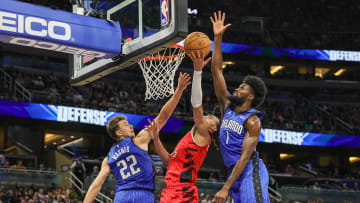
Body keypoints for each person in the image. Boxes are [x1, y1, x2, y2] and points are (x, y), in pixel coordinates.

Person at [83, 73, 191, 203]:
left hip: (121, 196)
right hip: (142, 195)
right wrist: (179, 91)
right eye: (125, 125)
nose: (130, 126)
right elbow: (163, 116)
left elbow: (96, 184)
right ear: (118, 133)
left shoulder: (109, 157)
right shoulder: (138, 140)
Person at [210, 11, 269, 203]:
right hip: (233, 172)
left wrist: (225, 187)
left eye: (242, 88)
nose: (237, 88)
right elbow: (217, 70)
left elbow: (244, 157)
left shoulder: (253, 120)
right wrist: (217, 38)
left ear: (250, 96)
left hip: (250, 170)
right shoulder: (226, 106)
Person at [150, 51, 220, 203]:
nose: (206, 116)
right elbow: (169, 162)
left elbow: (197, 107)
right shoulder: (191, 137)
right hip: (170, 190)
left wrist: (198, 71)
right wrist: (156, 139)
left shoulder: (204, 135)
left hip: (183, 192)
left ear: (212, 129)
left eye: (210, 118)